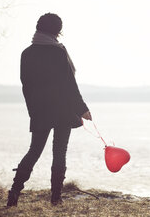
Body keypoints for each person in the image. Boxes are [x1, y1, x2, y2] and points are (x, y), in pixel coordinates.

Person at [7, 13, 91, 206]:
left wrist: (33, 111)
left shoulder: (26, 53)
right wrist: (82, 109)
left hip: (40, 110)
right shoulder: (59, 52)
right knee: (59, 152)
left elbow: (26, 86)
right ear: (57, 31)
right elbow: (70, 85)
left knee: (34, 151)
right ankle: (56, 197)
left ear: (38, 27)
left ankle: (14, 192)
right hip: (63, 109)